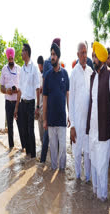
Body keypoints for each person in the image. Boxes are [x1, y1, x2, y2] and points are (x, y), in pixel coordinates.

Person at [86, 41, 110, 202]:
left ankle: (103, 199)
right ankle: (95, 196)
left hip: (104, 132)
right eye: (92, 56)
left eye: (94, 56)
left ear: (100, 57)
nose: (93, 59)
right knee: (93, 165)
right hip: (92, 131)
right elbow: (91, 103)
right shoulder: (93, 76)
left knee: (102, 167)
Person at [43, 42, 69, 170]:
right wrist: (44, 119)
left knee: (63, 149)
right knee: (53, 150)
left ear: (58, 57)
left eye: (54, 54)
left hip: (62, 119)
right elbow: (45, 98)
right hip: (51, 120)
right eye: (51, 54)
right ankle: (54, 171)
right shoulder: (47, 76)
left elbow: (68, 96)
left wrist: (70, 115)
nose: (52, 57)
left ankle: (62, 174)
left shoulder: (65, 74)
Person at [69, 42, 93, 182]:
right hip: (77, 121)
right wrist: (72, 124)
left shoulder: (90, 71)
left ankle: (88, 179)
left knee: (89, 153)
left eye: (86, 52)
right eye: (82, 53)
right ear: (77, 55)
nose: (84, 55)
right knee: (77, 153)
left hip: (89, 122)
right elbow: (70, 100)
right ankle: (77, 178)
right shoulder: (74, 74)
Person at [14, 43, 40, 159]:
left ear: (27, 52)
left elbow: (37, 88)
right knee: (24, 129)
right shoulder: (22, 69)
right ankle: (28, 154)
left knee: (31, 130)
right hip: (23, 104)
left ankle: (33, 156)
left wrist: (38, 107)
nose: (21, 53)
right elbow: (19, 89)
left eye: (23, 51)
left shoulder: (34, 68)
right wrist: (16, 107)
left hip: (31, 103)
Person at [0, 47, 22, 149]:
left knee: (20, 126)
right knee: (10, 126)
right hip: (8, 102)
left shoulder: (19, 69)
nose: (10, 58)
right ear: (7, 57)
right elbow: (1, 87)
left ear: (13, 56)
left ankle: (24, 148)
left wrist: (18, 90)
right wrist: (6, 91)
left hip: (18, 102)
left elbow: (22, 87)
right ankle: (11, 148)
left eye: (11, 57)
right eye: (8, 57)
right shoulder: (4, 69)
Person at [37, 56, 50, 163]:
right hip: (42, 107)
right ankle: (45, 157)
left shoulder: (44, 77)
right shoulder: (41, 76)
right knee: (44, 135)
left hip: (43, 109)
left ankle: (43, 159)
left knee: (44, 136)